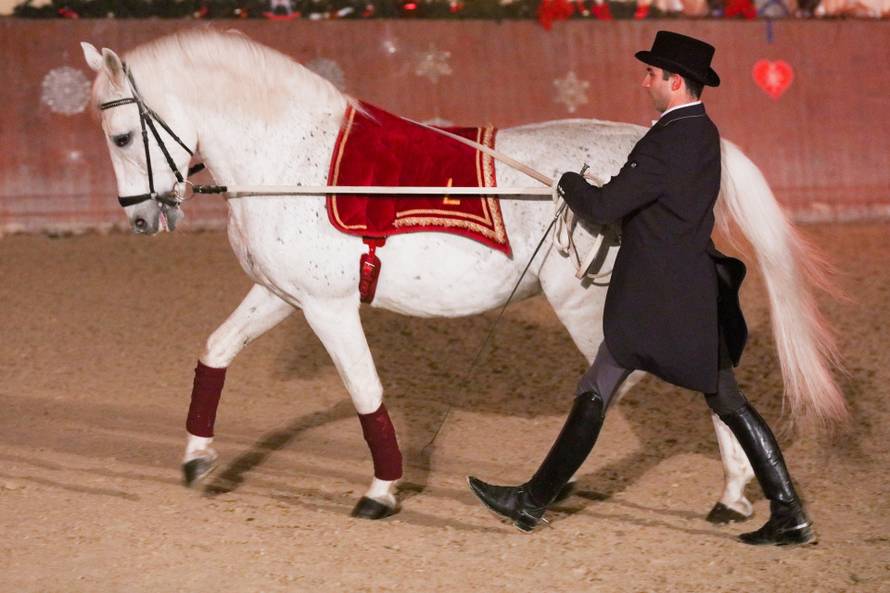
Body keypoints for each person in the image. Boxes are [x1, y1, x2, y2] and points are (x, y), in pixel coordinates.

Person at [466, 30, 815, 546]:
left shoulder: (671, 138)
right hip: (685, 290)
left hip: (656, 295)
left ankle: (533, 501)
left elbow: (605, 208)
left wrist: (570, 183)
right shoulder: (700, 131)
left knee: (608, 387)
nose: (644, 80)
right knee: (718, 397)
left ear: (675, 82)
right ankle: (789, 514)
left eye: (652, 74)